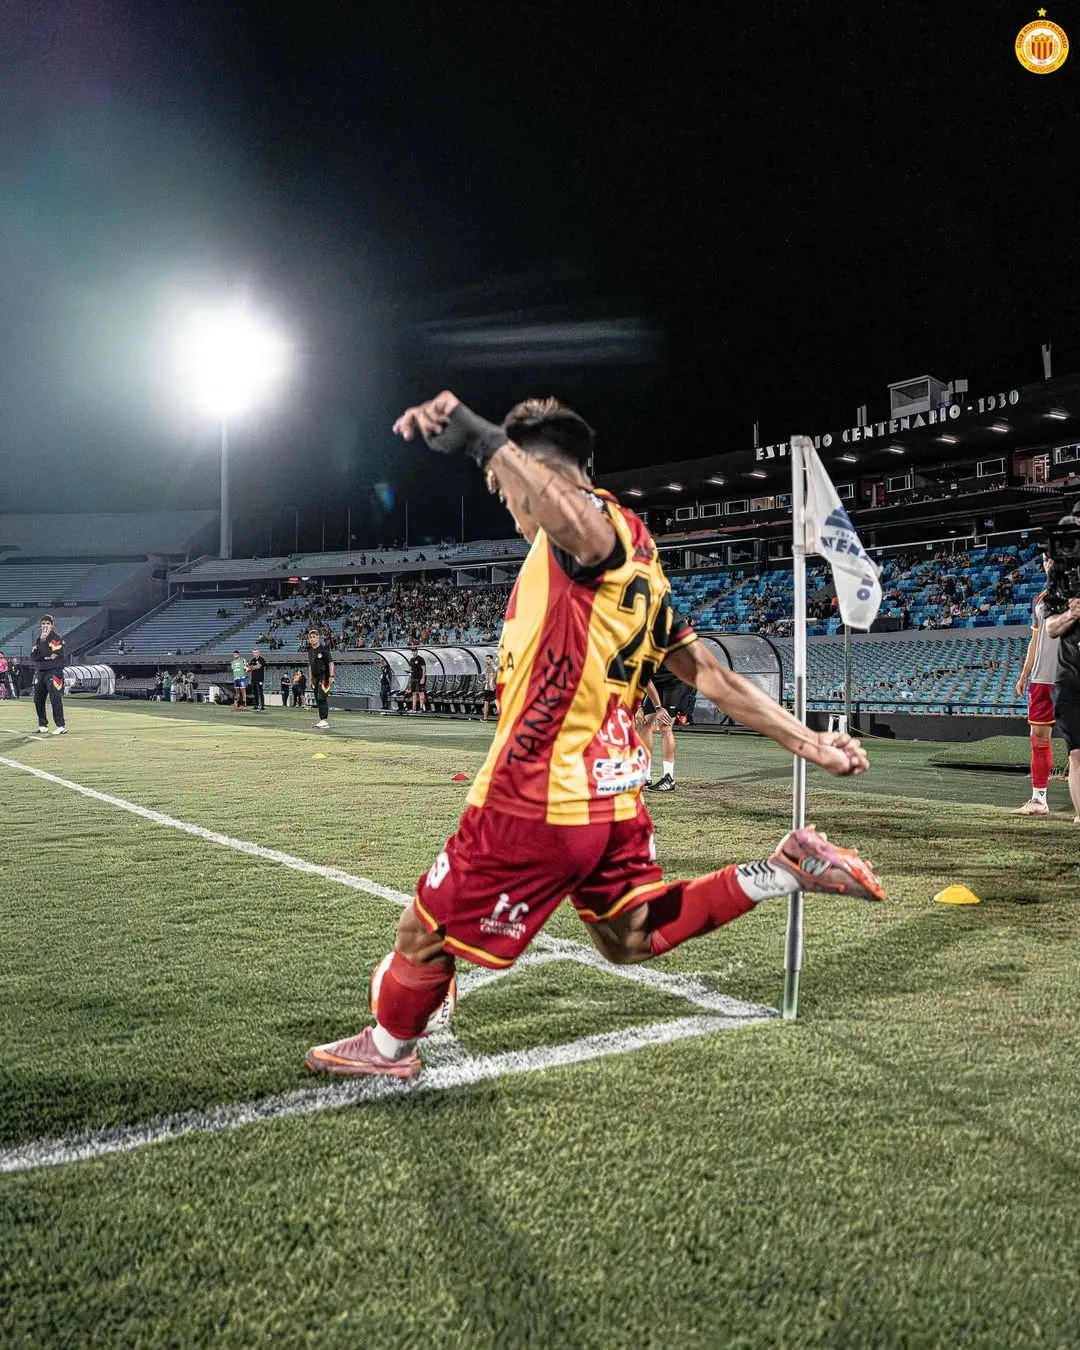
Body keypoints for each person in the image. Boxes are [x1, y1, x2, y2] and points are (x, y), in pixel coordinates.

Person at [306, 391, 883, 1081]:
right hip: (612, 798)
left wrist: (476, 437)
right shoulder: (640, 554)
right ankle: (781, 870)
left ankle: (390, 1049)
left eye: (508, 489)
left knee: (420, 934)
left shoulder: (592, 530)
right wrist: (811, 743)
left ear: (540, 471)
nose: (512, 507)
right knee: (629, 936)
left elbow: (574, 518)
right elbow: (710, 674)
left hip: (536, 800)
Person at [1011, 553, 1060, 816]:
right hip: (1041, 679)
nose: (1048, 562)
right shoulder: (1039, 599)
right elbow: (1034, 642)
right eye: (1045, 558)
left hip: (1071, 677)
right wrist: (1024, 675)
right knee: (1038, 738)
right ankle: (1039, 800)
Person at [1043, 506, 1080, 825]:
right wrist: (1072, 614)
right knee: (1078, 754)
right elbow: (1050, 627)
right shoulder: (1061, 581)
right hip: (1070, 678)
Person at [640, 645, 697, 792]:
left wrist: (659, 709)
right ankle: (645, 775)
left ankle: (668, 778)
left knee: (665, 726)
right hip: (657, 680)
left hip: (677, 680)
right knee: (644, 725)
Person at [30, 615, 66, 735]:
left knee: (55, 698)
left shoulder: (56, 638)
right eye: (43, 624)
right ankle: (42, 725)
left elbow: (54, 655)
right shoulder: (38, 639)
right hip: (40, 672)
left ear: (52, 625)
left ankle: (60, 725)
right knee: (38, 699)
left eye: (47, 624)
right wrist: (42, 643)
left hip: (54, 671)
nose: (45, 626)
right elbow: (34, 656)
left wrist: (44, 648)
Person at [307, 629, 334, 729]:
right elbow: (310, 665)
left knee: (322, 697)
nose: (312, 639)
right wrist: (310, 679)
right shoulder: (310, 651)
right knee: (318, 699)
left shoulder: (324, 649)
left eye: (314, 637)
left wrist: (331, 676)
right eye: (310, 637)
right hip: (315, 677)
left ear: (318, 638)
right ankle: (322, 720)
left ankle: (324, 721)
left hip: (324, 676)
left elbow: (330, 662)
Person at [408, 646, 427, 712]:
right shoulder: (411, 660)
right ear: (412, 652)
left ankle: (421, 708)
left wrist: (423, 678)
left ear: (417, 652)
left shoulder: (420, 659)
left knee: (421, 692)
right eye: (413, 651)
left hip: (419, 678)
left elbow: (424, 669)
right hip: (413, 678)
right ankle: (414, 708)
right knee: (414, 693)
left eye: (415, 651)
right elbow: (410, 669)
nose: (414, 652)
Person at [481, 653, 497, 721]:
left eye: (488, 659)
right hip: (492, 687)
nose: (486, 661)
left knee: (487, 702)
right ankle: (485, 718)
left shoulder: (490, 667)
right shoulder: (493, 667)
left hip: (490, 688)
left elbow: (491, 678)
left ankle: (485, 718)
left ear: (491, 660)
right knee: (489, 702)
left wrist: (490, 686)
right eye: (486, 659)